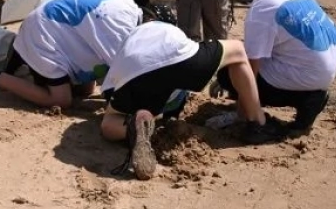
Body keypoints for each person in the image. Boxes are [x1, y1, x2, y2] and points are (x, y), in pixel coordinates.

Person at [100, 11, 285, 179]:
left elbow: (109, 87)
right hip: (175, 57)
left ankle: (134, 128)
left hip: (131, 75)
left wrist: (115, 109)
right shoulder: (168, 29)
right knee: (237, 49)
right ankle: (257, 122)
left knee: (109, 122)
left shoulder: (133, 37)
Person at [215, 0, 336, 133]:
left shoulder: (261, 10)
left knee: (229, 71)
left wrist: (242, 113)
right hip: (332, 57)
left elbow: (249, 70)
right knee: (249, 51)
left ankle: (306, 98)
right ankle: (310, 95)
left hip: (313, 71)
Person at [0, 0, 142, 108]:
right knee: (61, 100)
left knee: (85, 91)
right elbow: (124, 81)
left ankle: (25, 60)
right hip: (43, 34)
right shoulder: (119, 34)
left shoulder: (129, 7)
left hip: (55, 27)